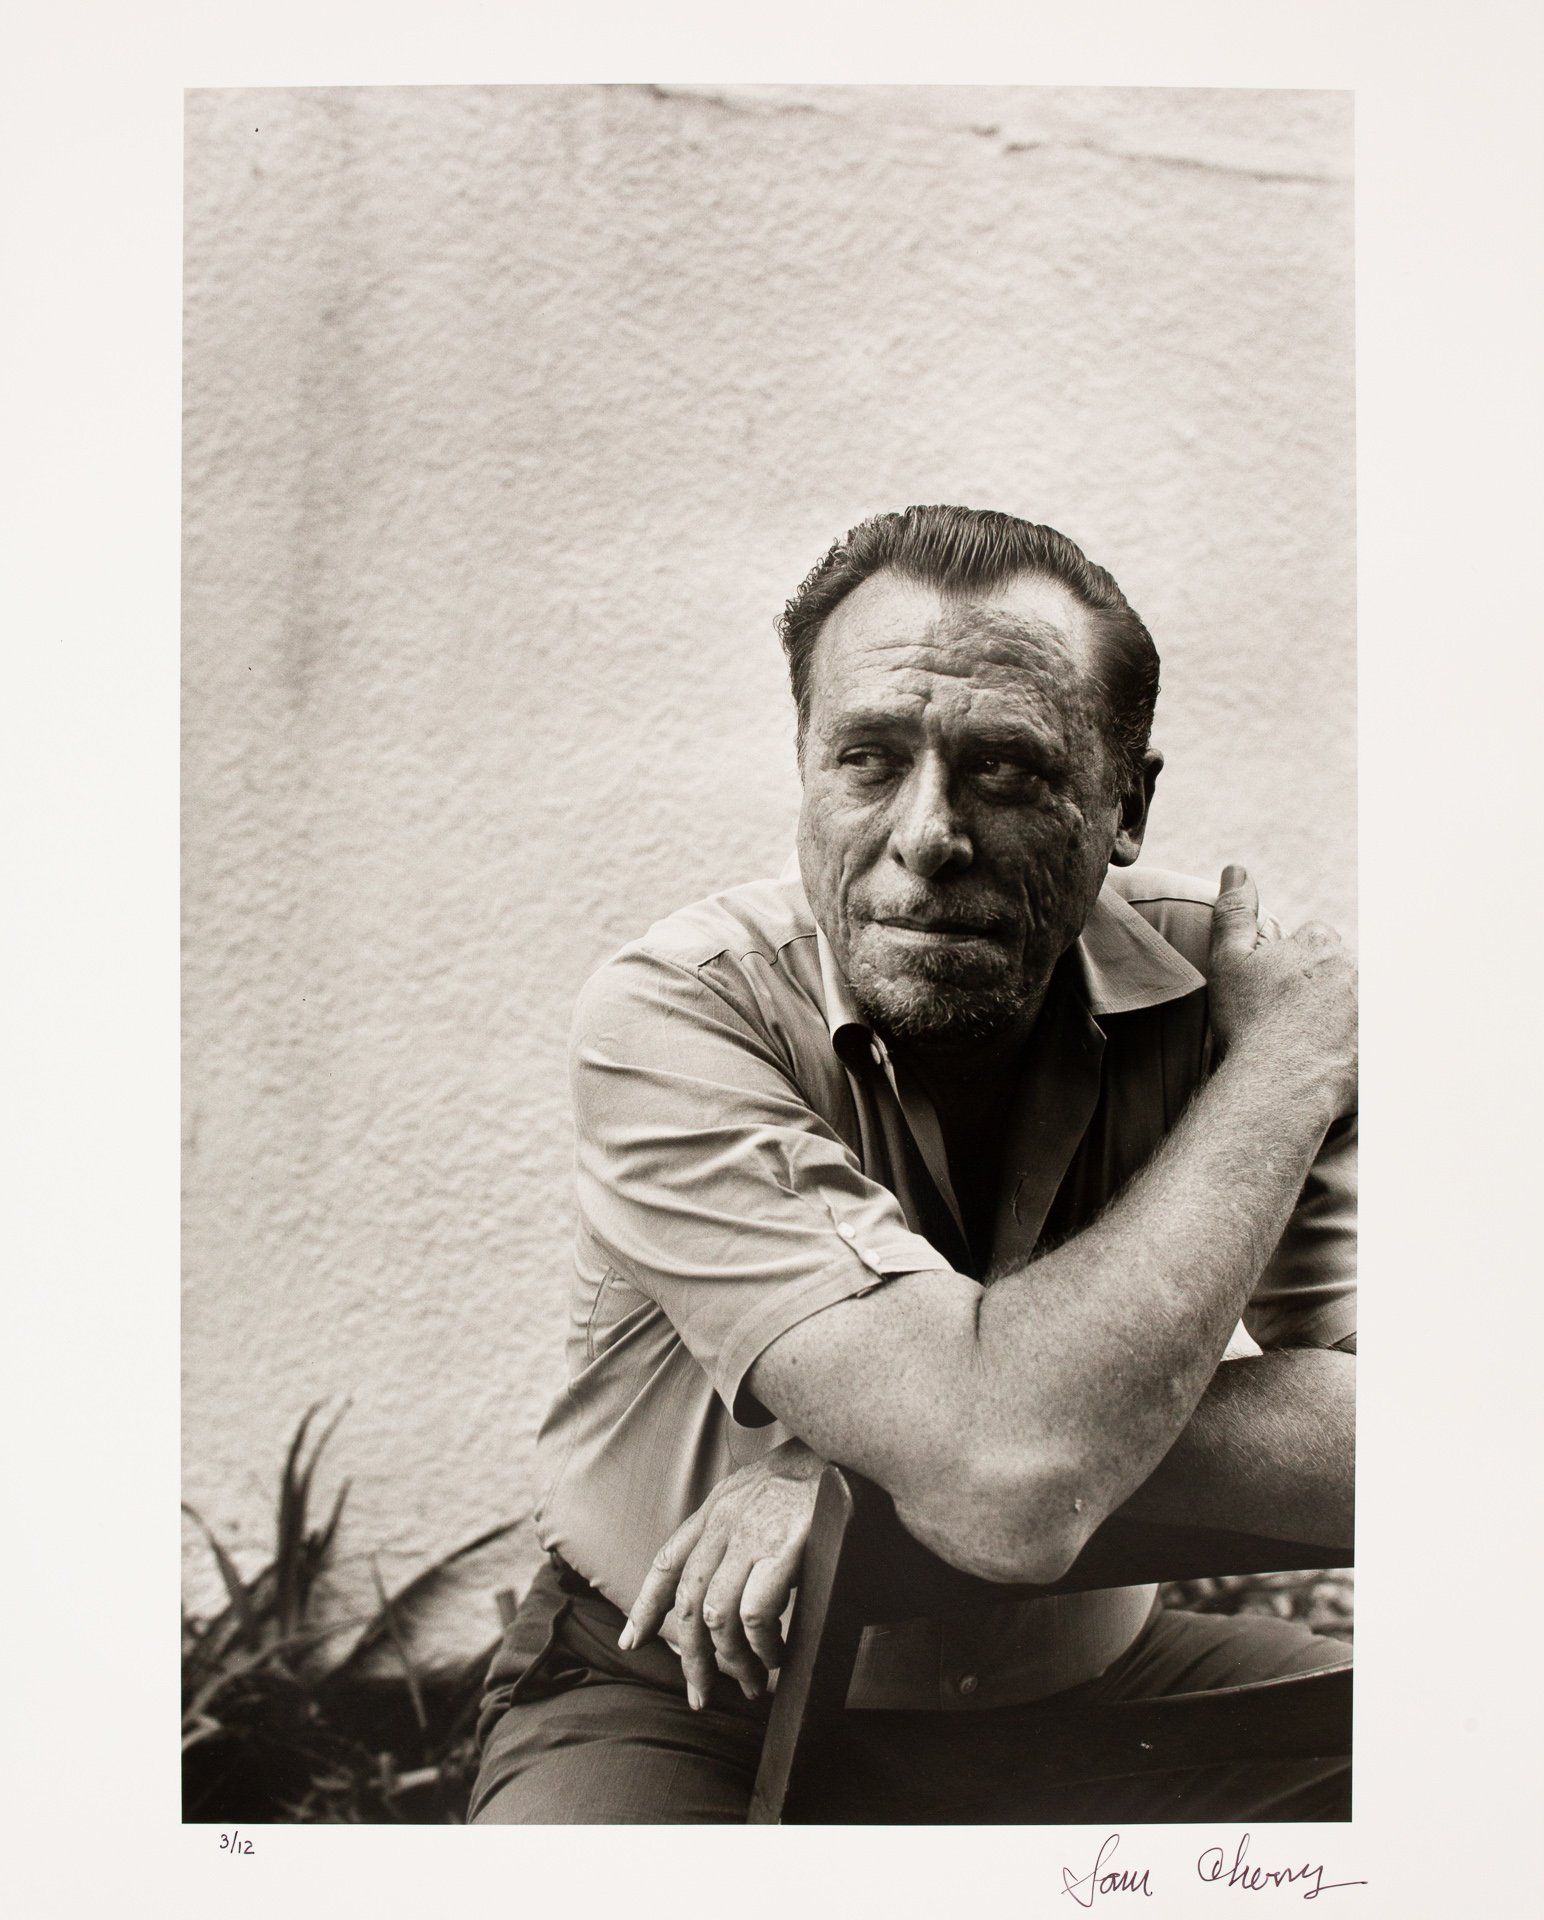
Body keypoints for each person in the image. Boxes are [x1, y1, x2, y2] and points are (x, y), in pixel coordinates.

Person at [470, 505, 1357, 1825]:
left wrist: (857, 1485)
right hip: (687, 1689)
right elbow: (1006, 1484)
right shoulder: (678, 1014)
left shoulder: (1240, 993)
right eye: (870, 759)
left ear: (1127, 804)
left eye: (1005, 770)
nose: (926, 835)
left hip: (1101, 1682)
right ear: (805, 770)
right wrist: (1281, 1083)